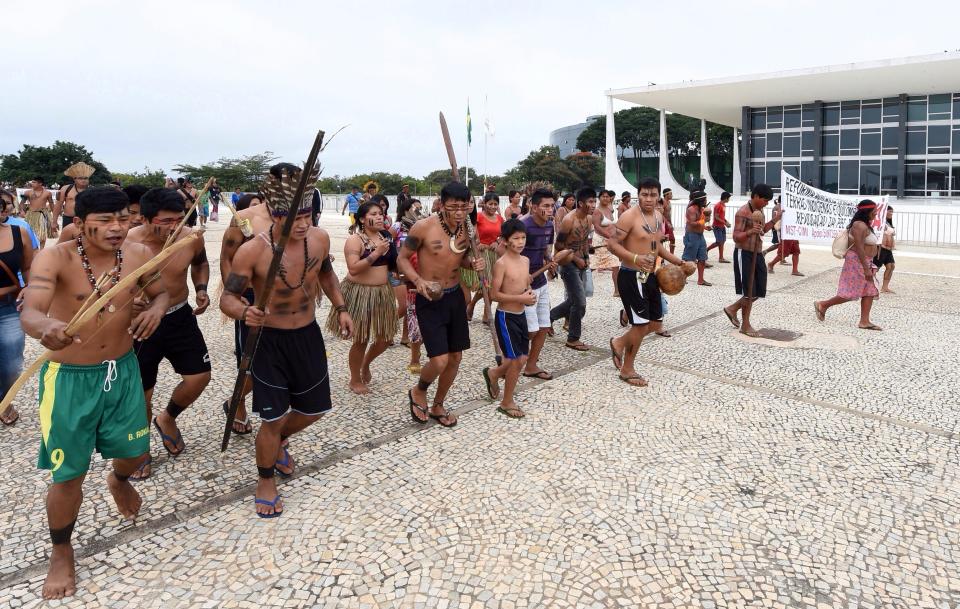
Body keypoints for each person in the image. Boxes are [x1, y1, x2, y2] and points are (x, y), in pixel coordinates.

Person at [21, 187, 169, 599]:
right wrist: (42, 327)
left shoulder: (138, 255)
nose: (117, 228)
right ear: (80, 223)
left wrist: (156, 309)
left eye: (123, 218)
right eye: (105, 220)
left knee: (136, 452)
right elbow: (31, 308)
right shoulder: (57, 257)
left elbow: (161, 291)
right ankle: (61, 550)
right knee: (69, 473)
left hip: (122, 370)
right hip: (69, 377)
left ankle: (119, 479)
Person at [220, 162, 354, 518]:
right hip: (267, 339)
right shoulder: (254, 250)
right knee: (273, 418)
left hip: (306, 334)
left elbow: (327, 275)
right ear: (274, 216)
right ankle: (265, 478)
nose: (301, 224)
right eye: (293, 218)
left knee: (315, 409)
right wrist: (244, 312)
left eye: (306, 216)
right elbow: (228, 299)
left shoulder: (320, 239)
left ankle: (276, 443)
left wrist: (341, 308)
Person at [126, 188, 211, 480]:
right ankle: (139, 449)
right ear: (146, 219)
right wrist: (126, 302)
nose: (174, 226)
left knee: (200, 376)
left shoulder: (191, 236)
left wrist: (201, 289)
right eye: (166, 220)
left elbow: (200, 262)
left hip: (178, 315)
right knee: (141, 393)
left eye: (180, 218)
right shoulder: (127, 243)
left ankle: (168, 418)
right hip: (139, 323)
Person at [397, 181, 485, 427]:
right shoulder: (423, 227)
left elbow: (462, 257)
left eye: (463, 206)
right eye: (452, 206)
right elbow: (402, 259)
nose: (459, 212)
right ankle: (419, 390)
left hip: (455, 296)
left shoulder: (468, 228)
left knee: (455, 357)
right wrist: (417, 280)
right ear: (441, 203)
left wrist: (472, 263)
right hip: (429, 298)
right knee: (439, 360)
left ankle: (438, 404)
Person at [606, 178, 692, 386]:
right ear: (638, 195)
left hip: (650, 276)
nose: (649, 199)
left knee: (655, 323)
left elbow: (656, 246)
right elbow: (611, 244)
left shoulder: (657, 216)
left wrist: (680, 262)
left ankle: (619, 343)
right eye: (644, 194)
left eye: (653, 195)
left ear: (658, 196)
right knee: (640, 325)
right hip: (631, 275)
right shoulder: (628, 217)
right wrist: (636, 258)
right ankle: (627, 369)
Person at [331, 202, 398, 395]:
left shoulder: (385, 236)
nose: (380, 217)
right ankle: (354, 379)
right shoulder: (355, 240)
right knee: (361, 338)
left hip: (382, 292)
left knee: (385, 337)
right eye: (374, 214)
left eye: (381, 214)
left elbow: (393, 263)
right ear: (362, 219)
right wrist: (376, 253)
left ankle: (366, 364)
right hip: (360, 292)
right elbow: (353, 268)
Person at [219, 192, 271, 435]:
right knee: (251, 361)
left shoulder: (294, 218)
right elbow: (226, 257)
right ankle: (236, 402)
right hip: (249, 295)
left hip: (279, 299)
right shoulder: (242, 220)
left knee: (275, 359)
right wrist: (232, 292)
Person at [482, 219, 537, 418]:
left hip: (521, 314)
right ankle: (507, 402)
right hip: (505, 317)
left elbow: (523, 286)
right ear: (505, 241)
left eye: (523, 237)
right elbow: (494, 295)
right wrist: (520, 298)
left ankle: (494, 373)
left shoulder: (525, 261)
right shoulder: (501, 264)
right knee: (516, 360)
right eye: (516, 238)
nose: (521, 242)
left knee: (521, 358)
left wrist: (529, 294)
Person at [814, 200, 883, 330]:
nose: (876, 214)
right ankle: (823, 304)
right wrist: (865, 268)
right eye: (874, 211)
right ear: (867, 211)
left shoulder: (865, 225)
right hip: (857, 261)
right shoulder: (859, 225)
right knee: (851, 292)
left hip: (865, 260)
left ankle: (864, 321)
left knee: (870, 290)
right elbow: (859, 247)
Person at [722, 183, 779, 337]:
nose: (767, 203)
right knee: (749, 291)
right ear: (755, 196)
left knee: (759, 289)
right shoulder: (743, 212)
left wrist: (775, 220)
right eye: (765, 200)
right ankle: (745, 325)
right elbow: (735, 237)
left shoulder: (759, 212)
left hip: (757, 253)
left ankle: (732, 309)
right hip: (744, 253)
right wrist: (749, 232)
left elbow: (763, 230)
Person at [0, 195, 34, 426]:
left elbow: (29, 266)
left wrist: (30, 289)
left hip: (9, 307)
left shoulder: (17, 231)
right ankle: (4, 403)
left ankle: (3, 396)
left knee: (12, 365)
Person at [518, 189, 558, 380]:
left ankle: (531, 366)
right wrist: (521, 275)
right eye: (546, 206)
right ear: (534, 207)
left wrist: (549, 261)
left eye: (552, 206)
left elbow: (544, 250)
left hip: (540, 282)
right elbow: (505, 251)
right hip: (524, 284)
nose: (550, 210)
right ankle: (511, 360)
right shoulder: (523, 225)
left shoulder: (550, 225)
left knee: (543, 326)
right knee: (530, 330)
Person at [551, 187, 595, 351]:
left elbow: (584, 241)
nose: (593, 204)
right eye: (590, 202)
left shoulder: (589, 219)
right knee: (580, 302)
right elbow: (559, 245)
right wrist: (575, 259)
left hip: (581, 263)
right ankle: (573, 338)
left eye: (594, 201)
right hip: (568, 264)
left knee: (573, 300)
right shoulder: (569, 220)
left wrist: (586, 258)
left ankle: (549, 318)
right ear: (581, 203)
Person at [59, 185, 145, 244]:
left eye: (143, 213)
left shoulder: (146, 241)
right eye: (132, 212)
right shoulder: (72, 230)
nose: (138, 218)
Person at [466, 193, 504, 324]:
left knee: (492, 284)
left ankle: (483, 312)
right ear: (484, 204)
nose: (493, 206)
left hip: (494, 255)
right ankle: (473, 306)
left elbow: (503, 235)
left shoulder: (500, 218)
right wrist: (478, 244)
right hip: (481, 254)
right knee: (485, 284)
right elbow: (471, 235)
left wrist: (497, 242)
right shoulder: (478, 217)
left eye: (495, 204)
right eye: (490, 204)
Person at [592, 189, 621, 295]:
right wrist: (609, 236)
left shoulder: (609, 209)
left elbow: (612, 224)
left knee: (615, 264)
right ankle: (580, 279)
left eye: (607, 196)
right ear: (599, 198)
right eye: (603, 196)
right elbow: (597, 227)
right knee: (593, 265)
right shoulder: (597, 211)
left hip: (610, 241)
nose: (605, 198)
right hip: (600, 241)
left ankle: (617, 290)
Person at [682, 190, 711, 286]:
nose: (706, 201)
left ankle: (701, 280)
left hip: (700, 235)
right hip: (692, 236)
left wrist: (706, 227)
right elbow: (691, 223)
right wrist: (703, 222)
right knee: (689, 259)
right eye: (705, 199)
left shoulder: (701, 209)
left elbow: (700, 222)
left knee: (702, 258)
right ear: (701, 200)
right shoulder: (691, 209)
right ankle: (682, 277)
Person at [55, 162, 95, 231]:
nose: (83, 180)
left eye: (85, 178)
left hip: (86, 220)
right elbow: (58, 205)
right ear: (74, 179)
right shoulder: (65, 189)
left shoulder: (93, 191)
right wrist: (54, 222)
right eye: (80, 178)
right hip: (68, 219)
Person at [23, 176, 57, 247]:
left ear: (40, 183)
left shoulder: (48, 193)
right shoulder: (27, 192)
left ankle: (41, 250)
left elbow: (51, 204)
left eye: (34, 182)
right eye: (32, 182)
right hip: (31, 215)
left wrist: (54, 216)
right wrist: (21, 211)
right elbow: (21, 203)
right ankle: (31, 249)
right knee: (29, 233)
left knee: (42, 234)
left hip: (43, 214)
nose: (32, 183)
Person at [874, 206, 896, 293]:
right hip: (880, 248)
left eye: (892, 212)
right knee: (875, 268)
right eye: (889, 211)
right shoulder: (880, 221)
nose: (891, 213)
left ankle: (885, 287)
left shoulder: (888, 223)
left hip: (888, 249)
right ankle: (867, 285)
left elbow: (891, 234)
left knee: (891, 266)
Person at [706, 191, 732, 263]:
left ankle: (721, 257)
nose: (729, 199)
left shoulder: (723, 205)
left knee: (722, 241)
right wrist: (725, 223)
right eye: (728, 198)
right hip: (717, 226)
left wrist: (726, 222)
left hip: (721, 226)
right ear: (726, 198)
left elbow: (721, 216)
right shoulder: (718, 205)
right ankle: (707, 249)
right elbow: (716, 217)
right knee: (719, 241)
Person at [659, 188, 676, 254]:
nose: (672, 195)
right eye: (671, 194)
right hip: (663, 224)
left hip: (668, 223)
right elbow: (660, 213)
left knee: (672, 239)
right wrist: (667, 223)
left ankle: (671, 255)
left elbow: (669, 215)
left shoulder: (669, 202)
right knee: (662, 240)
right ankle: (661, 257)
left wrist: (671, 223)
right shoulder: (663, 202)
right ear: (666, 195)